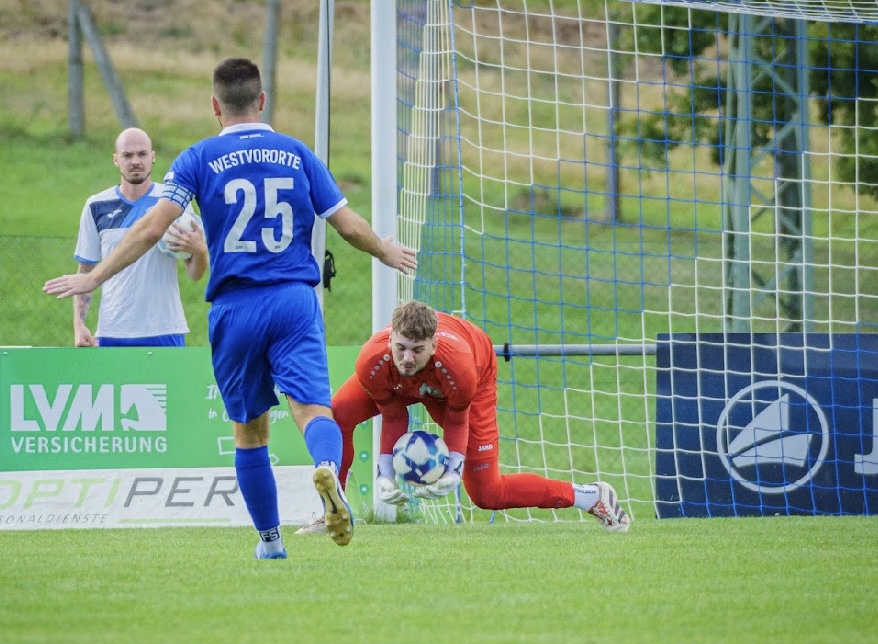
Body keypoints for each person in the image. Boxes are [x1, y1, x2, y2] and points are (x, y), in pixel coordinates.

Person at [44, 57, 418, 558]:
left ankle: (270, 543)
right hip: (293, 300)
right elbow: (347, 225)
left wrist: (94, 276)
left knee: (249, 431)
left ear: (215, 107)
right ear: (262, 101)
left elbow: (152, 227)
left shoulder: (198, 158)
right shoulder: (297, 153)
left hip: (235, 306)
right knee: (312, 409)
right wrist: (385, 252)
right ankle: (328, 468)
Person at [297, 299, 629, 535]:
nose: (407, 358)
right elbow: (394, 416)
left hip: (471, 376)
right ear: (391, 339)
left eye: (417, 349)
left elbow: (457, 420)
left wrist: (453, 470)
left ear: (433, 345)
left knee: (487, 494)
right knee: (336, 416)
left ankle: (590, 496)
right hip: (401, 382)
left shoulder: (458, 368)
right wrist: (386, 474)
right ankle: (333, 512)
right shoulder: (373, 360)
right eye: (400, 348)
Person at [73, 127, 208, 348]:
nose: (135, 161)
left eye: (142, 154)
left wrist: (200, 251)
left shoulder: (173, 202)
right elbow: (86, 271)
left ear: (152, 157)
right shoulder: (96, 206)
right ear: (116, 160)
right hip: (112, 331)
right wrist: (79, 325)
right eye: (127, 155)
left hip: (165, 329)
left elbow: (195, 273)